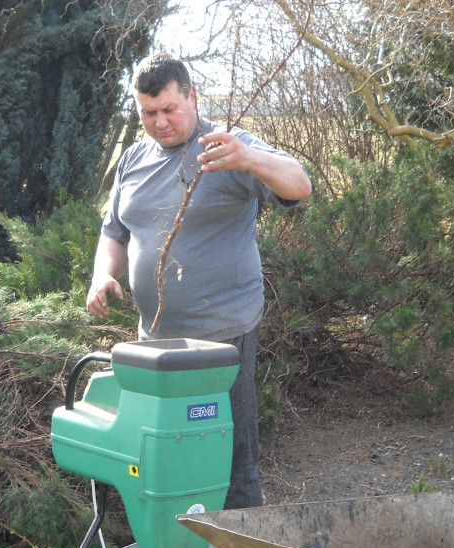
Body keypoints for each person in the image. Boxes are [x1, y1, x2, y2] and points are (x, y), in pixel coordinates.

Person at [86, 53, 312, 509]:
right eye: (148, 113)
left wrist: (248, 158)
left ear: (191, 96)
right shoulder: (132, 158)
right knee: (169, 445)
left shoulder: (226, 146)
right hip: (154, 338)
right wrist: (101, 275)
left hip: (222, 335)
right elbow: (114, 232)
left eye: (170, 109)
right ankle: (182, 542)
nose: (160, 122)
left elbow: (299, 185)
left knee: (230, 450)